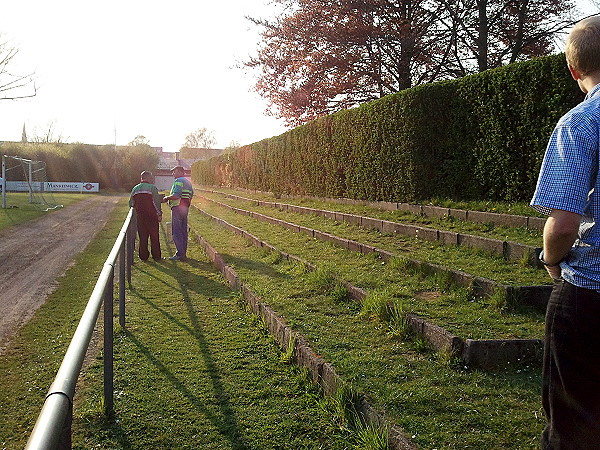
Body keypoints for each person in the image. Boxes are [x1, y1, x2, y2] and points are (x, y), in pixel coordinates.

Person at [531, 16, 600, 449]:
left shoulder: (580, 122)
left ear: (574, 70)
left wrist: (550, 260)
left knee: (575, 426)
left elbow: (564, 224)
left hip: (591, 296)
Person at [162, 165, 194, 261]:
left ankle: (180, 254)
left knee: (177, 231)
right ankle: (183, 252)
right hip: (185, 207)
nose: (173, 174)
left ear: (180, 172)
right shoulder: (188, 182)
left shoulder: (178, 181)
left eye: (174, 171)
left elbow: (176, 195)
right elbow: (191, 194)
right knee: (183, 231)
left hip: (177, 207)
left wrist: (166, 198)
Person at [129, 171, 162, 261]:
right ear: (148, 178)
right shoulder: (152, 188)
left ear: (141, 178)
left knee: (142, 237)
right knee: (154, 237)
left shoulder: (135, 188)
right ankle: (156, 256)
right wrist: (159, 213)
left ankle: (143, 256)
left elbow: (131, 203)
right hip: (152, 216)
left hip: (140, 217)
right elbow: (156, 202)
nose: (152, 179)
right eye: (151, 178)